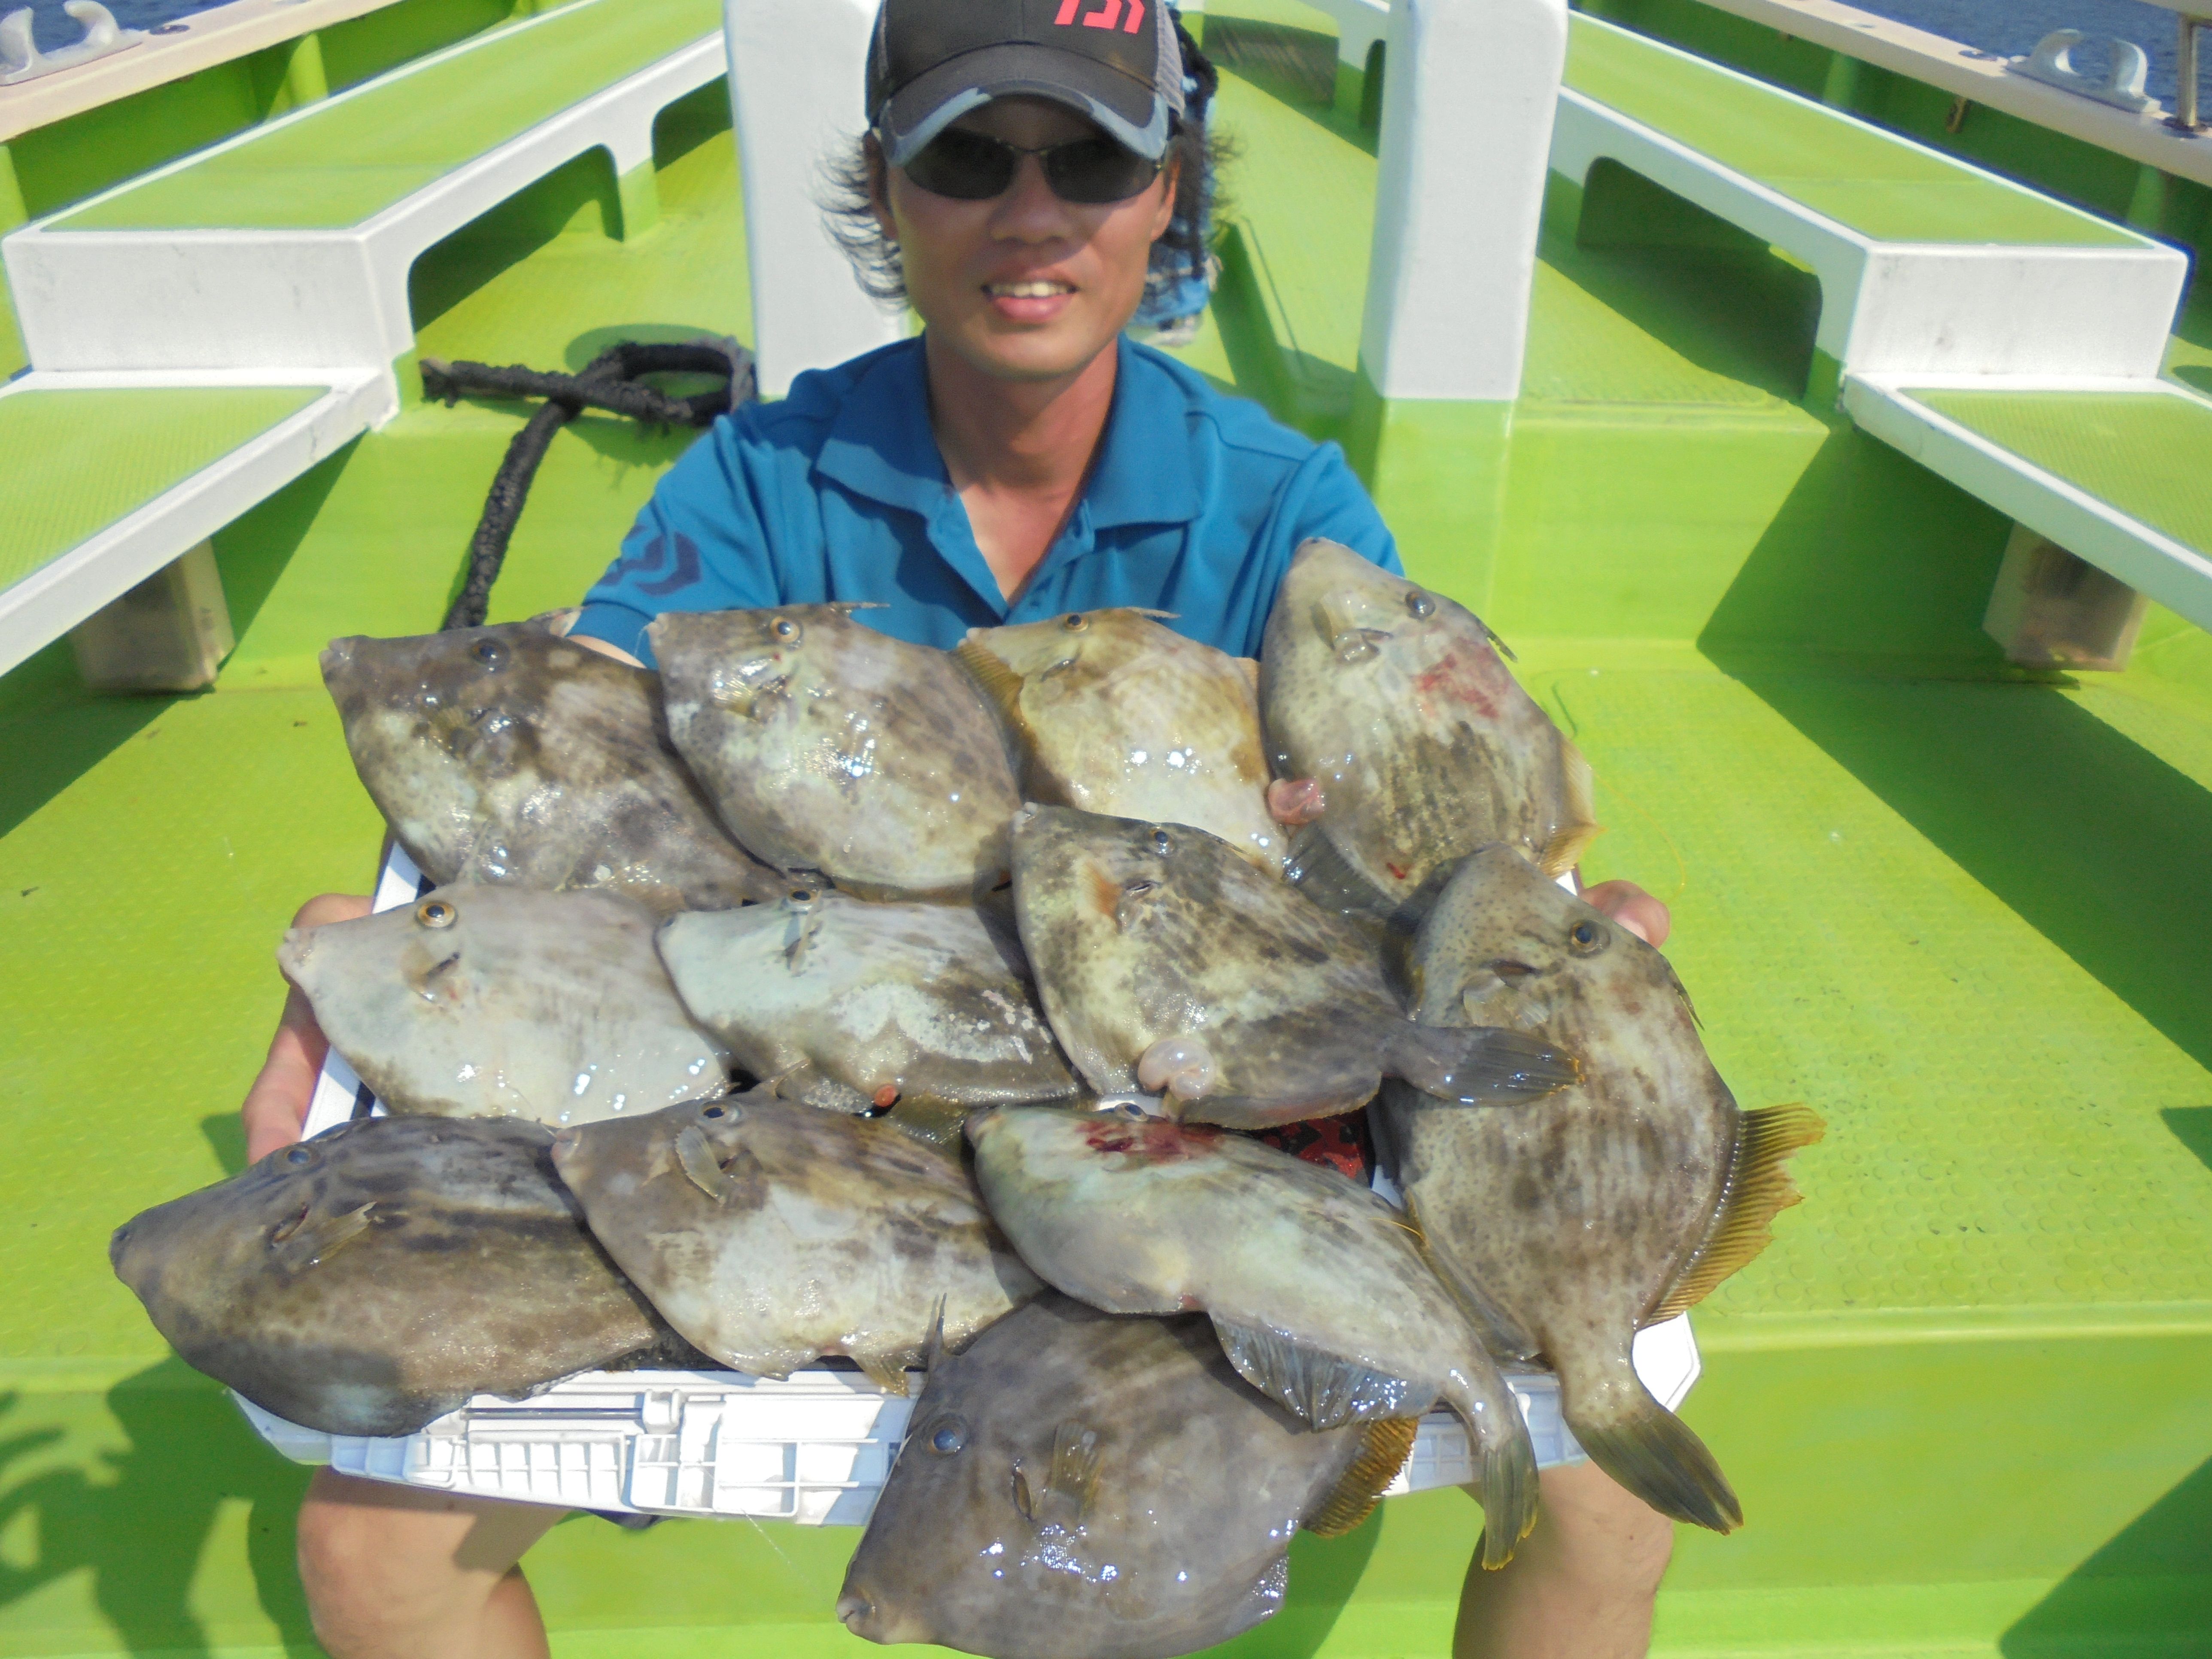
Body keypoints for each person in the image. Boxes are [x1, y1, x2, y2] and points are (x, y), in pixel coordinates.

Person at [240, 2, 1677, 1653]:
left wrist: (1555, 954)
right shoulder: (761, 482)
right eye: (970, 159)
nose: (1032, 212)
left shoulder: (1284, 512)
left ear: (1167, 191)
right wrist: (372, 960)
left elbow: (1428, 841)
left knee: (1609, 1501)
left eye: (1093, 163)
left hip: (1185, 1157)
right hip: (788, 1144)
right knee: (372, 1550)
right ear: (888, 187)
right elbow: (582, 767)